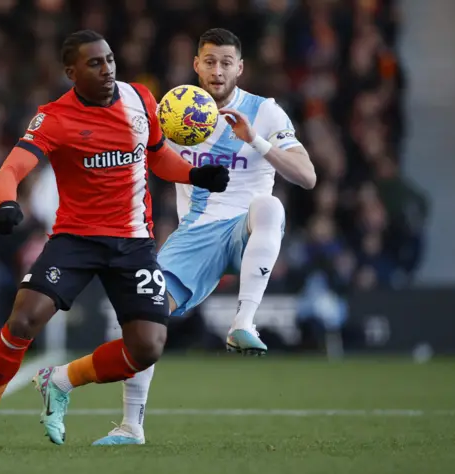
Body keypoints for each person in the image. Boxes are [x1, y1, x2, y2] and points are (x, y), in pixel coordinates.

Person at [0, 30, 229, 451]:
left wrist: (194, 173)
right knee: (23, 320)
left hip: (133, 242)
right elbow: (11, 169)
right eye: (94, 63)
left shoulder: (141, 101)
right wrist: (6, 203)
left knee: (148, 346)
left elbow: (156, 156)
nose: (107, 68)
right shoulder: (54, 117)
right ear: (71, 71)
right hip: (75, 238)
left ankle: (59, 381)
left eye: (110, 58)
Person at [91, 28, 316, 446]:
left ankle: (243, 322)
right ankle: (129, 424)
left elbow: (307, 176)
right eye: (210, 61)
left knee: (271, 206)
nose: (217, 71)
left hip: (246, 229)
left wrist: (257, 141)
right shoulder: (173, 110)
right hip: (194, 235)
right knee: (146, 320)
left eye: (226, 62)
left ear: (240, 67)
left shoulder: (264, 111)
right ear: (196, 64)